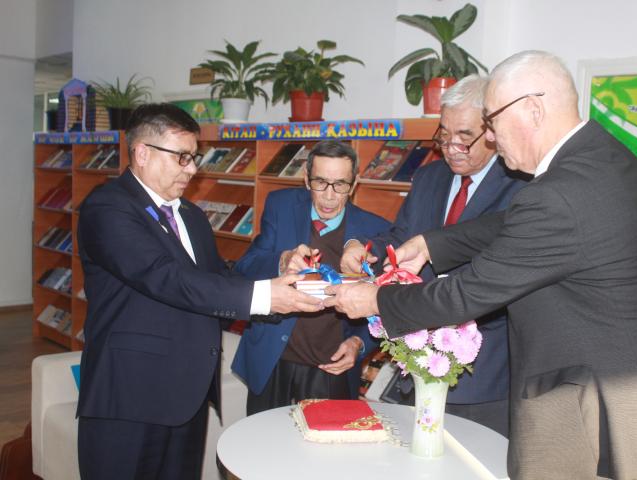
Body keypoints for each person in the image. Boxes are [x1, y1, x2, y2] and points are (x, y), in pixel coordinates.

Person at [326, 51, 637, 479]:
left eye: (492, 121)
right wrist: (432, 243)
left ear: (532, 110)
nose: (490, 137)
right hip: (634, 389)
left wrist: (375, 299)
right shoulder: (601, 158)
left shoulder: (558, 194)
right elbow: (512, 222)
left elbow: (468, 293)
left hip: (607, 413)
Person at [76, 103, 323, 480]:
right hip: (129, 394)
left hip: (188, 393)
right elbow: (165, 278)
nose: (191, 169)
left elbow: (217, 278)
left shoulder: (190, 215)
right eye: (182, 157)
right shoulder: (107, 207)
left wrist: (279, 267)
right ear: (142, 153)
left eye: (194, 157)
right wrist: (264, 296)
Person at [340, 75, 527, 436]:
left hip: (486, 373)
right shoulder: (429, 177)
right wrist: (362, 247)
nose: (452, 147)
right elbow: (402, 235)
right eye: (444, 135)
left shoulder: (520, 186)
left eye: (464, 137)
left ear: (491, 132)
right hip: (417, 357)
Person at [230, 140, 390, 415]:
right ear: (306, 179)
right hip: (272, 358)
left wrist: (359, 342)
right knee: (262, 440)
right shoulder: (280, 205)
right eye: (320, 182)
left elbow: (384, 302)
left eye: (340, 184)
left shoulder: (376, 229)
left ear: (354, 184)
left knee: (325, 442)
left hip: (331, 366)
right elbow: (246, 267)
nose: (329, 196)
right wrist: (281, 260)